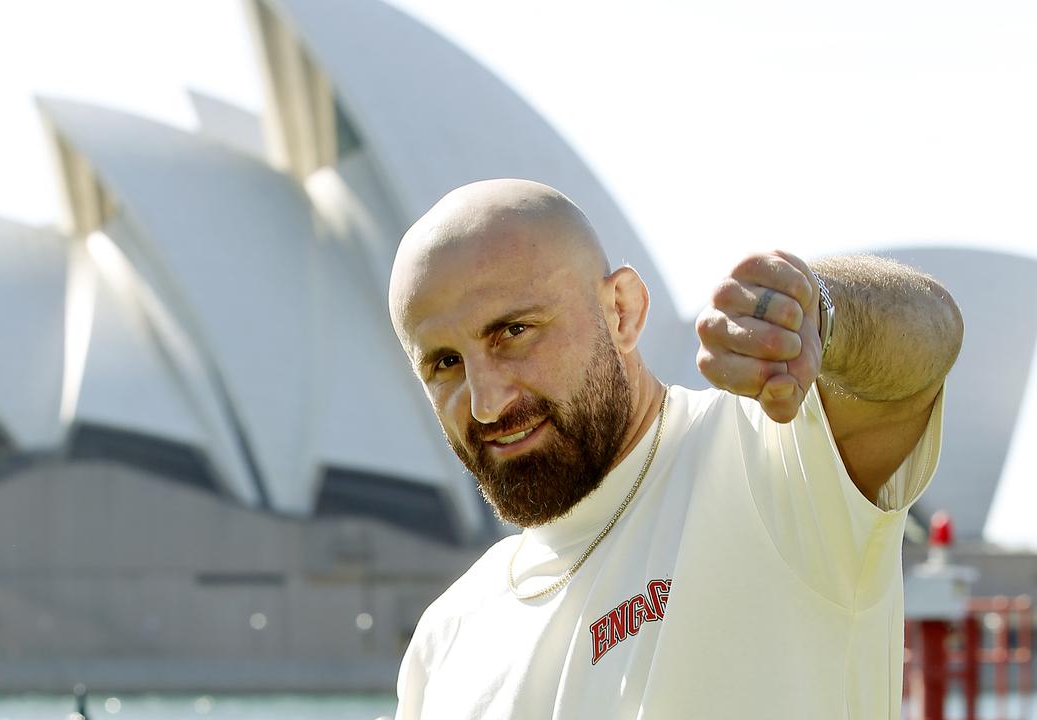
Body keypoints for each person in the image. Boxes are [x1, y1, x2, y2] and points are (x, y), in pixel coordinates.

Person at [386, 178, 962, 719]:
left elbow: (930, 338)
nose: (485, 402)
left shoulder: (769, 462)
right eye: (445, 363)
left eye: (514, 331)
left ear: (623, 311)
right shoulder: (445, 641)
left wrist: (821, 314)